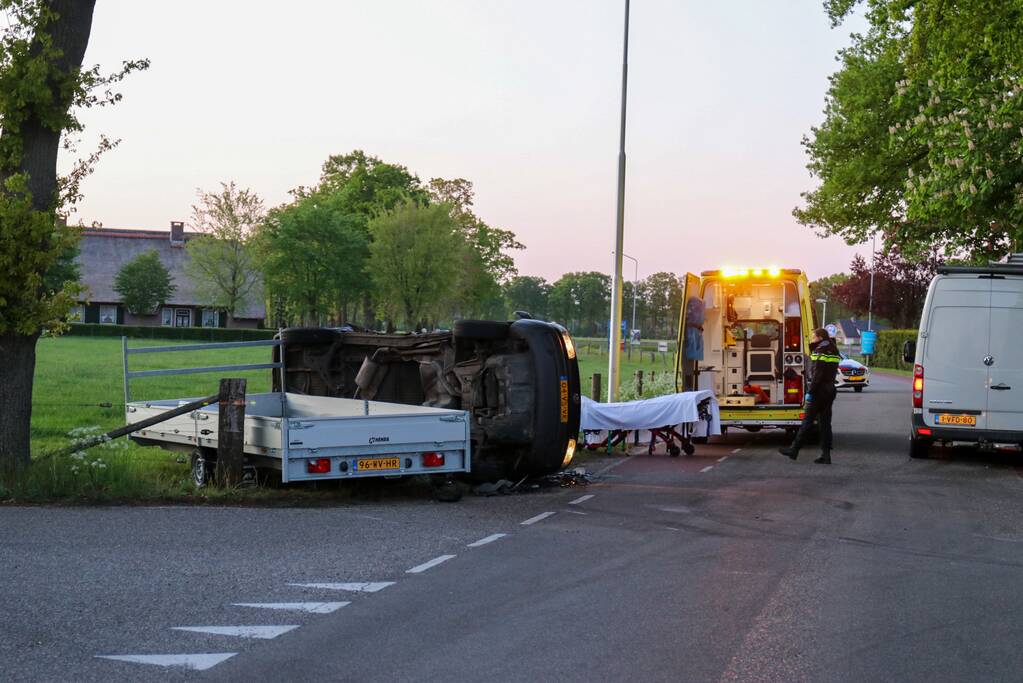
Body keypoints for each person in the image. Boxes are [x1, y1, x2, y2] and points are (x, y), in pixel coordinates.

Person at [779, 328, 841, 464]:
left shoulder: (820, 350)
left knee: (807, 422)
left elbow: (817, 374)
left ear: (819, 337)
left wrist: (810, 393)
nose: (812, 339)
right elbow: (824, 371)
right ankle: (826, 455)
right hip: (830, 390)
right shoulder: (834, 349)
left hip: (819, 391)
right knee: (825, 423)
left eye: (813, 337)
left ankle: (794, 449)